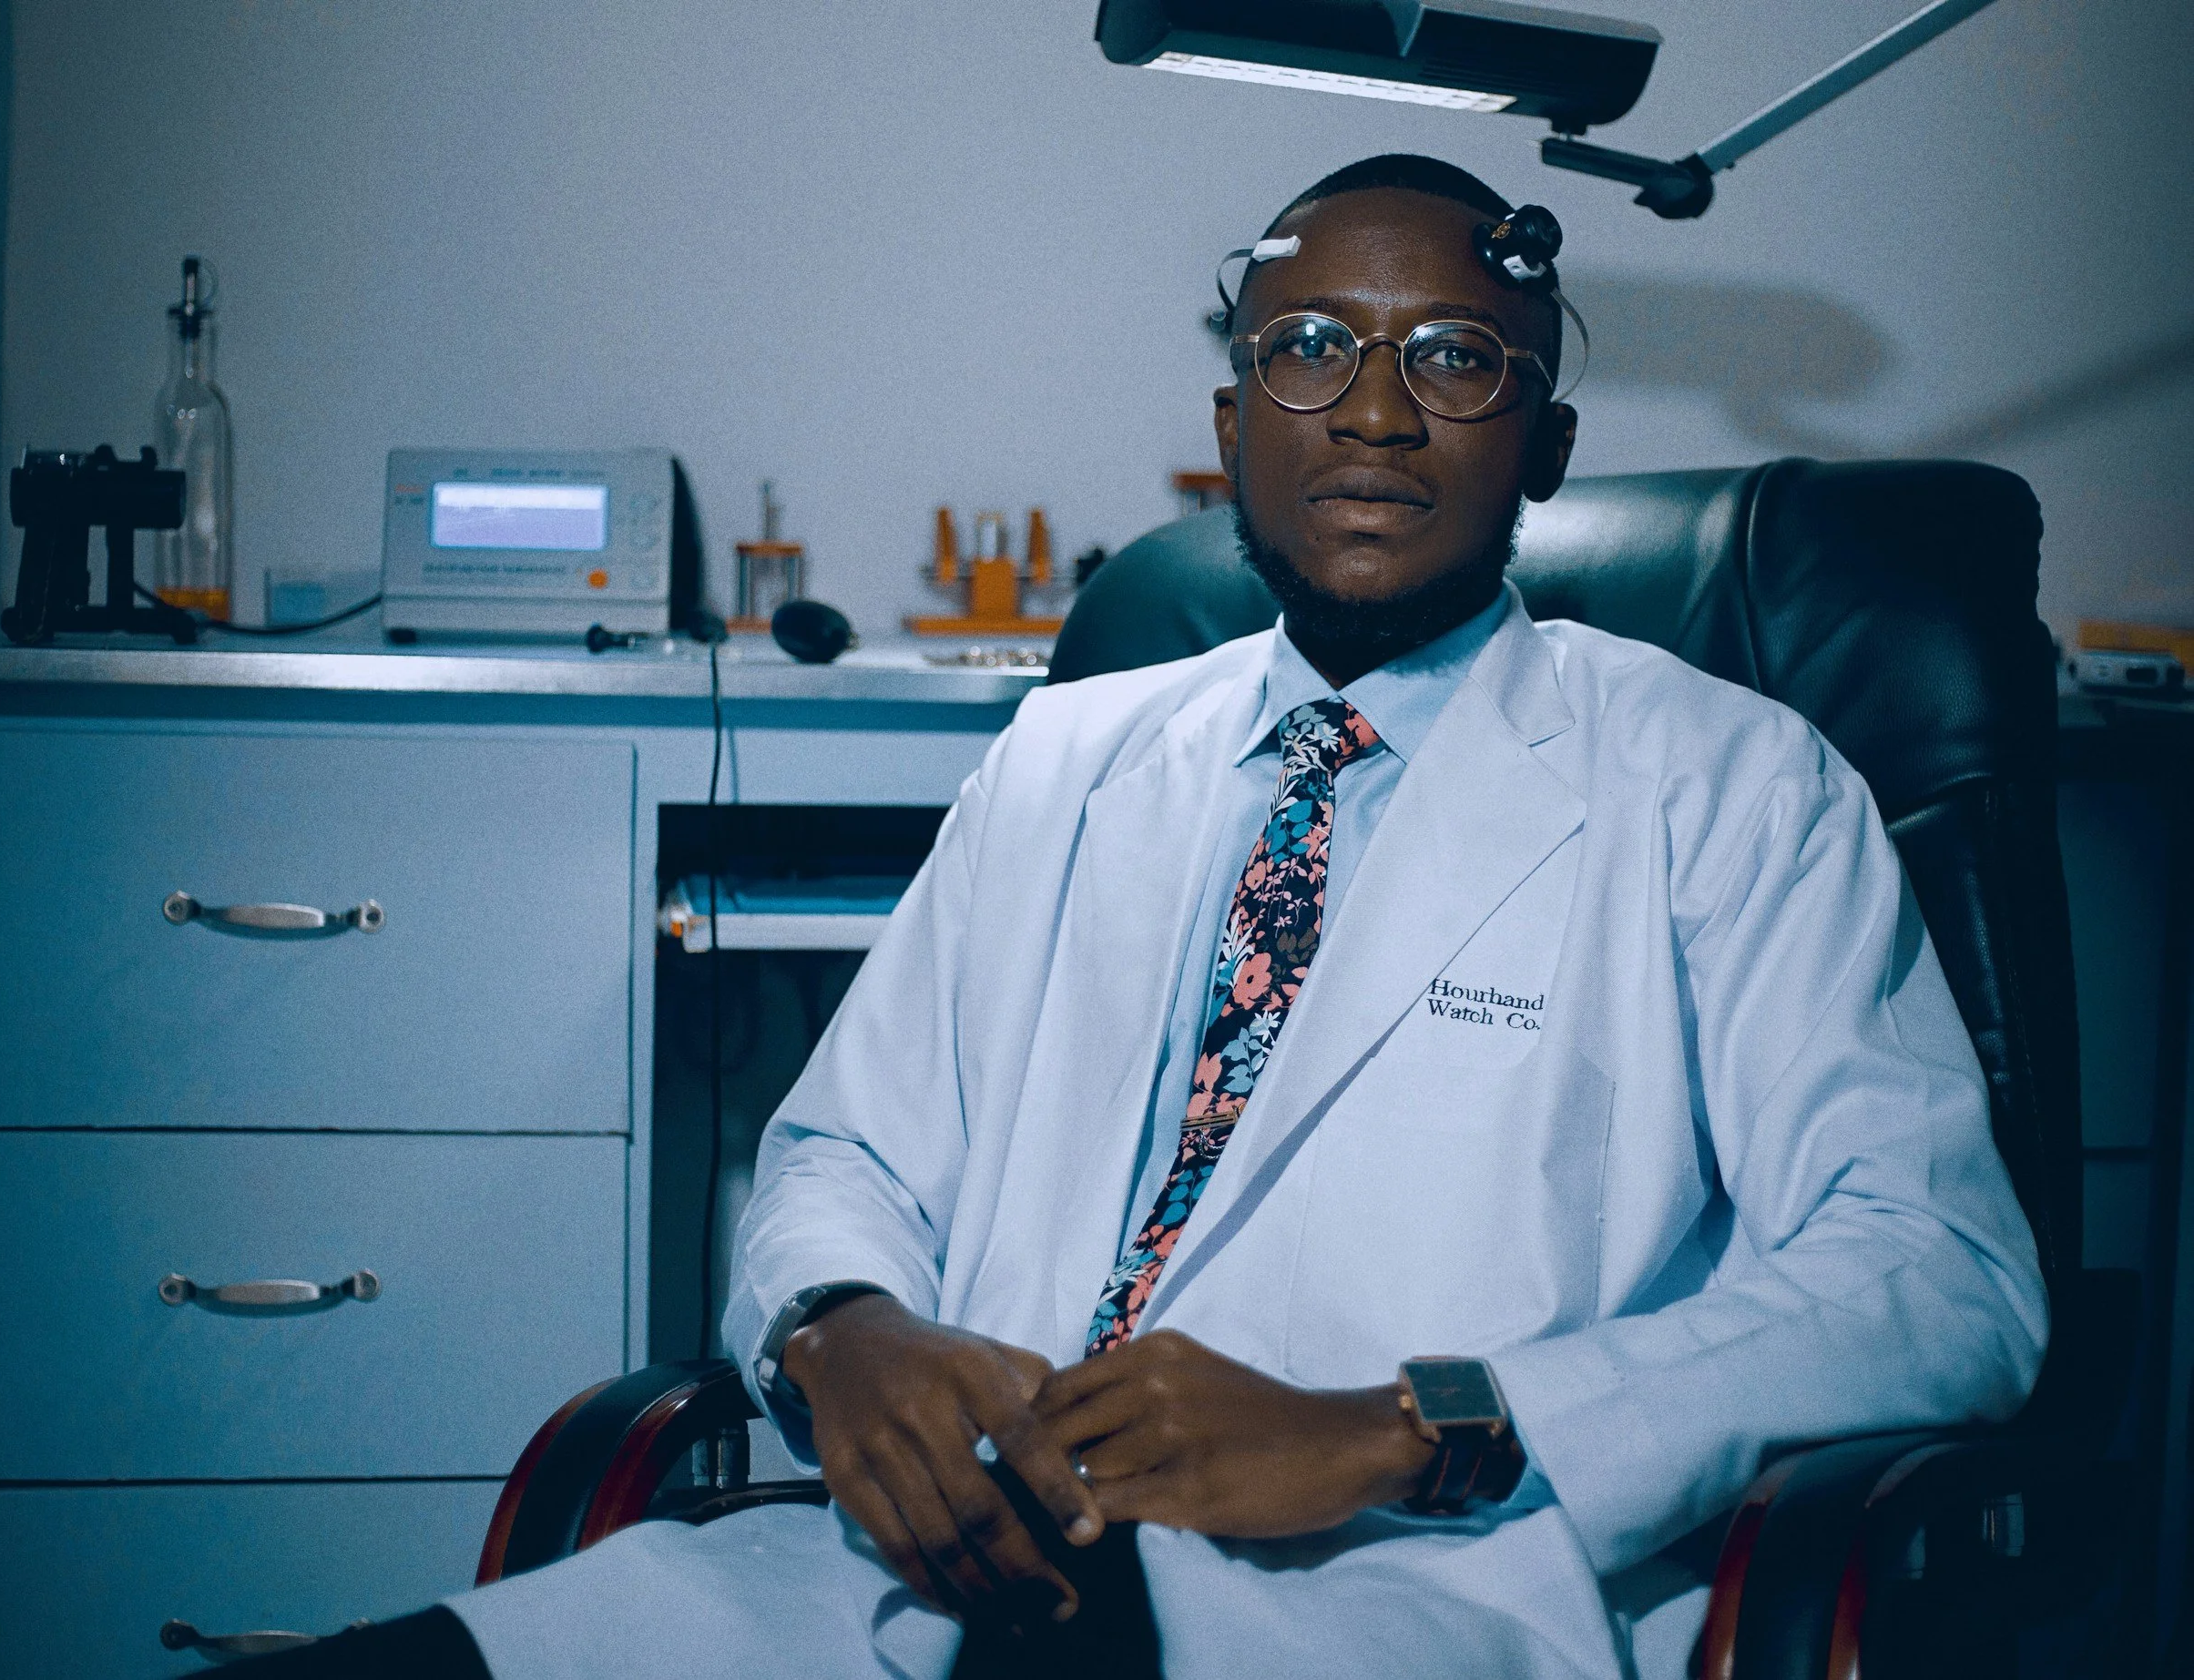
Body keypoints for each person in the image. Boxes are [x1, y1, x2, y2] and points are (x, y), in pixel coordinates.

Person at [223, 154, 2046, 1680]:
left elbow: (1937, 1275)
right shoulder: (1065, 756)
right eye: (1312, 347)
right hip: (906, 1587)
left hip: (1377, 1599)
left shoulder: (1725, 784)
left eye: (1457, 360)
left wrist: (1408, 1423)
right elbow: (848, 1141)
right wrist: (836, 1325)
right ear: (1230, 422)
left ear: (1546, 443)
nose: (1378, 407)